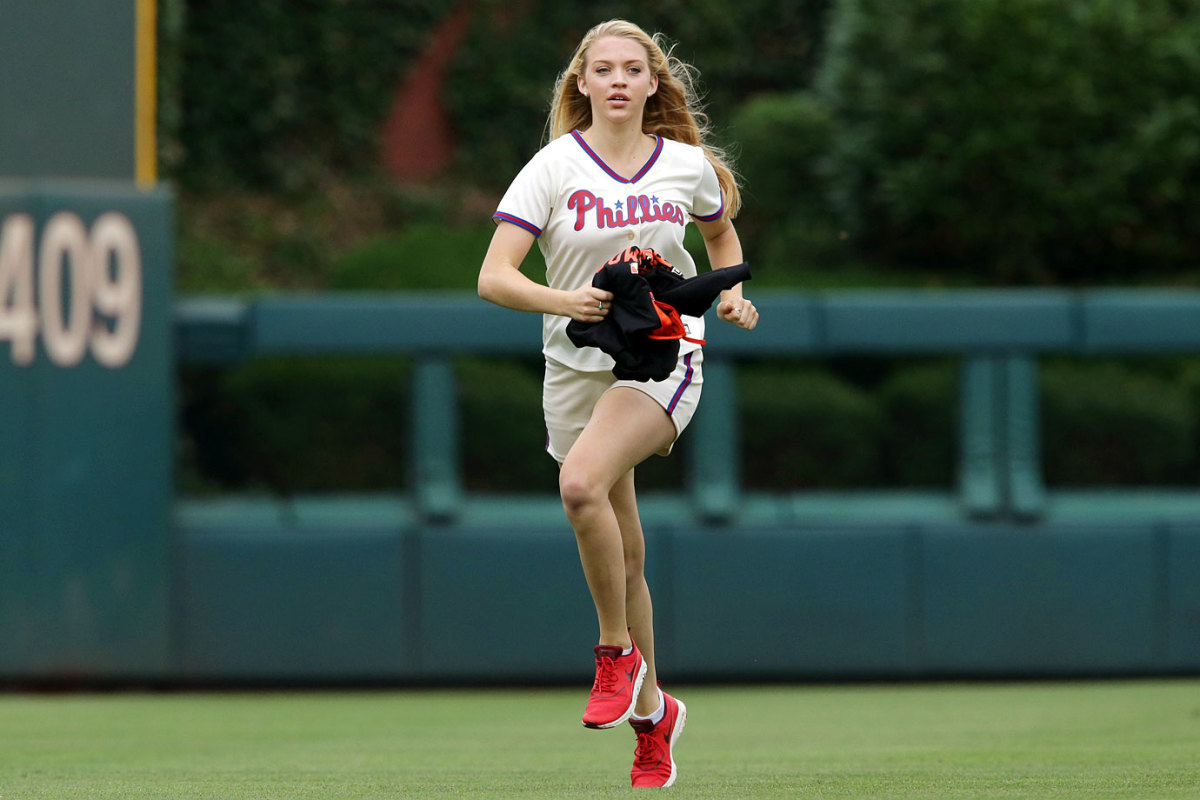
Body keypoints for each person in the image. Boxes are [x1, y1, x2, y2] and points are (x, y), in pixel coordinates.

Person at [477, 18, 758, 788]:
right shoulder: (553, 167)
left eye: (634, 69)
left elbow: (721, 238)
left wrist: (731, 295)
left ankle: (615, 656)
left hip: (664, 357)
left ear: (653, 83)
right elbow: (494, 276)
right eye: (604, 69)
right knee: (623, 550)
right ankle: (654, 716)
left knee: (579, 485)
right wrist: (566, 297)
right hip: (575, 365)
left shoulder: (687, 166)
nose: (619, 81)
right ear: (582, 83)